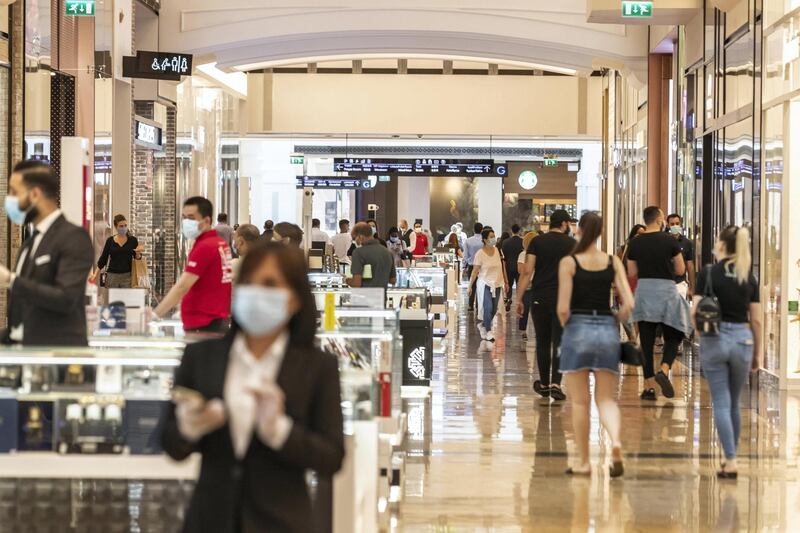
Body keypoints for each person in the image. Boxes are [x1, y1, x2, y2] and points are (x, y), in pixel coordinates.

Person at [161, 241, 345, 532]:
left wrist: (279, 431)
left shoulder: (317, 367)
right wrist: (189, 428)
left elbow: (331, 458)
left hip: (283, 522)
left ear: (295, 299)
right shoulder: (201, 356)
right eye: (248, 282)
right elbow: (169, 442)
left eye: (270, 284)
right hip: (209, 520)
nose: (256, 292)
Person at [556, 212, 633, 477]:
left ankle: (585, 463)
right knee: (605, 400)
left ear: (578, 229)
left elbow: (563, 308)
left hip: (577, 328)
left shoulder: (569, 262)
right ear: (600, 232)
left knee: (579, 402)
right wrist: (615, 320)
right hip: (606, 331)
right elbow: (629, 304)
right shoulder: (613, 261)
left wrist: (571, 330)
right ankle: (616, 442)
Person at [0, 161, 94, 346]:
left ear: (35, 194)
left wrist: (11, 280)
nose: (9, 199)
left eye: (14, 192)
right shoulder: (30, 242)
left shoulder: (74, 237)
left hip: (59, 358)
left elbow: (65, 298)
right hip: (27, 355)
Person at [694, 226, 762, 479]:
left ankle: (730, 460)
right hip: (743, 339)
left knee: (721, 402)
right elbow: (757, 320)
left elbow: (695, 311)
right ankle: (730, 458)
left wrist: (700, 335)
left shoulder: (709, 273)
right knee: (734, 403)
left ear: (721, 245)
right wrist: (757, 353)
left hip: (715, 338)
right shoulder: (749, 276)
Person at [627, 206, 691, 400]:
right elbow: (680, 270)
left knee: (645, 341)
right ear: (659, 220)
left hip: (645, 292)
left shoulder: (635, 243)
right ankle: (663, 368)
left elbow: (631, 272)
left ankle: (648, 388)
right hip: (666, 291)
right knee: (675, 333)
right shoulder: (669, 240)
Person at [515, 209, 577, 401]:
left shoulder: (537, 242)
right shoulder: (572, 244)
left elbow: (526, 272)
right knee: (560, 341)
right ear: (564, 224)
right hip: (564, 298)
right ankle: (556, 384)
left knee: (543, 341)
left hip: (540, 296)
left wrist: (518, 299)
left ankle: (543, 384)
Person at [154, 197, 233, 334]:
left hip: (203, 324)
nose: (186, 222)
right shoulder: (220, 243)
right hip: (215, 320)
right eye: (184, 217)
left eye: (191, 217)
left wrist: (156, 314)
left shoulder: (206, 247)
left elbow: (182, 286)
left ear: (207, 220)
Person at [468, 228, 508, 342]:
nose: (493, 238)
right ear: (485, 239)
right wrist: (470, 286)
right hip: (485, 283)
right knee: (488, 307)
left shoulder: (498, 251)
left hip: (497, 283)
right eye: (491, 236)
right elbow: (475, 271)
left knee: (494, 309)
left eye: (494, 236)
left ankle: (483, 325)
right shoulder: (480, 254)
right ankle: (489, 331)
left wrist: (506, 282)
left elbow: (502, 266)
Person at [95, 214, 144, 289]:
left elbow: (137, 259)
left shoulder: (133, 240)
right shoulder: (110, 241)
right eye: (121, 226)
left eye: (125, 225)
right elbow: (103, 259)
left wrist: (138, 254)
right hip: (112, 276)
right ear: (116, 227)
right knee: (112, 299)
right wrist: (95, 274)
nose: (124, 228)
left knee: (125, 299)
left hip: (127, 276)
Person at [347, 222, 396, 289]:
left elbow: (356, 284)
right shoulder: (387, 252)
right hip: (381, 297)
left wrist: (346, 280)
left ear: (360, 237)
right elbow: (392, 280)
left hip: (364, 297)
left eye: (354, 238)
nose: (354, 241)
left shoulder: (358, 253)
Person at [667, 214, 696, 299]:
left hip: (680, 283)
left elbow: (690, 266)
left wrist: (692, 288)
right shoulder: (664, 241)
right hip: (666, 283)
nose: (675, 226)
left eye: (677, 223)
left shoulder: (687, 243)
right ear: (668, 225)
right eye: (672, 224)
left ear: (681, 225)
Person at [517, 231, 537, 340]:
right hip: (527, 285)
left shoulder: (539, 253)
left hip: (536, 284)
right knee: (525, 308)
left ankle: (534, 329)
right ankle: (523, 330)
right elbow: (520, 270)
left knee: (535, 309)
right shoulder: (523, 254)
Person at [502, 224, 524, 310]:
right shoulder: (522, 241)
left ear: (512, 231)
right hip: (519, 267)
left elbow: (504, 256)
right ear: (519, 231)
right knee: (519, 284)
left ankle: (508, 298)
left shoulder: (505, 242)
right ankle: (520, 300)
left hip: (508, 267)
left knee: (509, 284)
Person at [463, 222, 484, 310]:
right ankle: (479, 305)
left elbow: (465, 256)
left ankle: (470, 305)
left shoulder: (468, 241)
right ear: (482, 229)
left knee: (472, 285)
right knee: (481, 286)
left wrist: (464, 266)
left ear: (473, 230)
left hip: (472, 265)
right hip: (483, 267)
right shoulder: (484, 240)